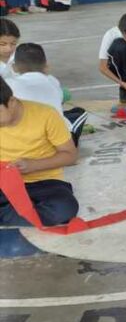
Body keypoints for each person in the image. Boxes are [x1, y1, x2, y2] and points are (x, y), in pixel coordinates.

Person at [0, 77, 79, 227]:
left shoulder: (45, 115)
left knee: (64, 208)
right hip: (4, 184)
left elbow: (70, 155)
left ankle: (13, 215)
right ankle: (21, 214)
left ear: (11, 102)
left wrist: (33, 165)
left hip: (45, 183)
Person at [7, 43, 88, 145]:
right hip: (57, 143)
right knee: (78, 113)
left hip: (23, 142)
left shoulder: (9, 85)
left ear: (14, 67)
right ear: (46, 66)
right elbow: (61, 99)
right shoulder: (52, 81)